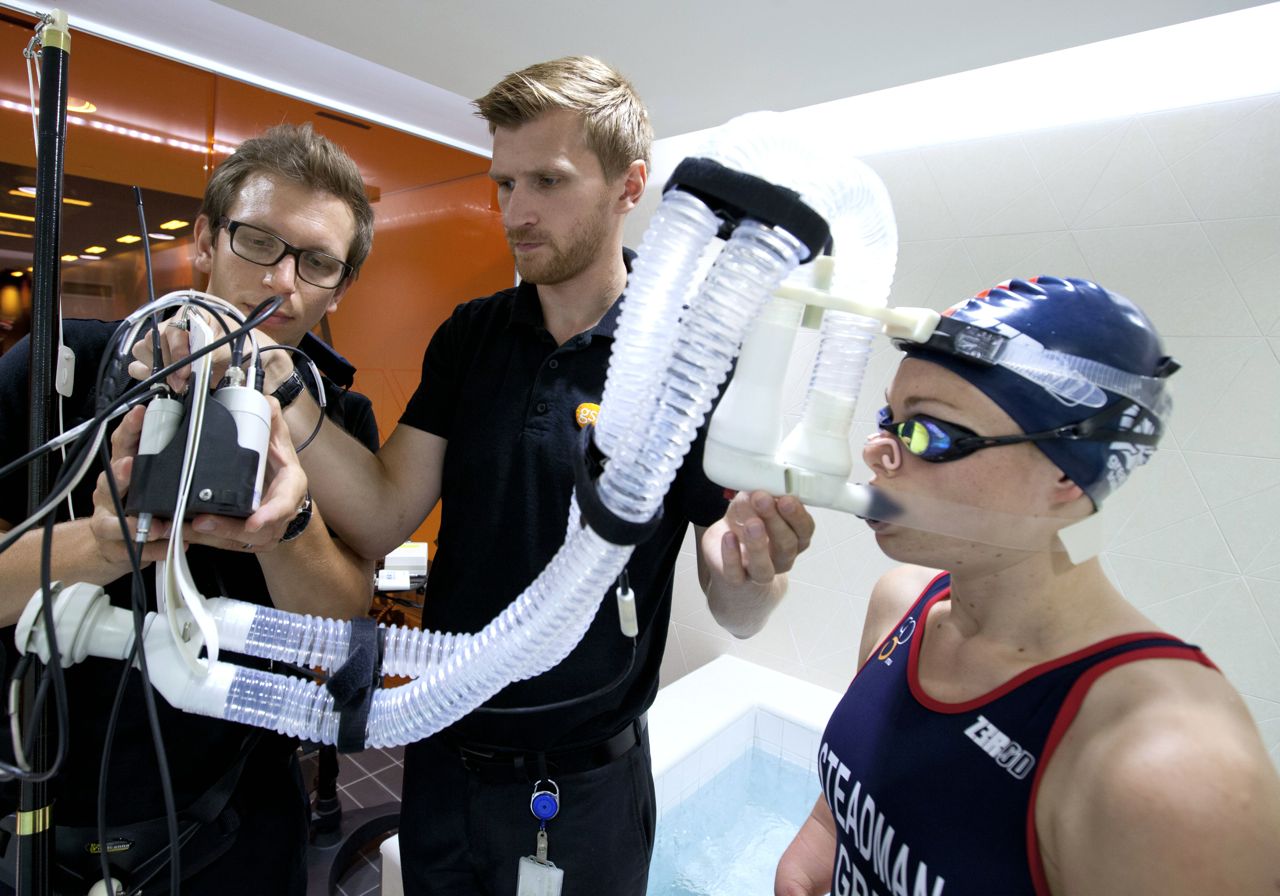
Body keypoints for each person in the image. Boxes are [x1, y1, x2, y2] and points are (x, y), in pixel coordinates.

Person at [201, 56, 815, 895]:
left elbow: (737, 606)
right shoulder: (474, 336)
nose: (516, 214)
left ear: (629, 186)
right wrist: (274, 379)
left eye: (548, 182)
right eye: (504, 185)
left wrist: (752, 568)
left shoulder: (687, 357)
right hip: (444, 754)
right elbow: (382, 513)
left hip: (585, 782)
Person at [774, 276, 1280, 896]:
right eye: (890, 418)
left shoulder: (1169, 767)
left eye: (929, 432)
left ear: (1068, 473)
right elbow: (842, 821)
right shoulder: (901, 602)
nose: (878, 449)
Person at [0, 122, 379, 895]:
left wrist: (290, 528)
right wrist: (107, 541)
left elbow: (340, 628)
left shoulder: (337, 428)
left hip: (232, 823)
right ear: (204, 239)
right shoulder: (60, 372)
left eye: (316, 263)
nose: (282, 283)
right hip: (36, 804)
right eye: (259, 242)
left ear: (340, 287)